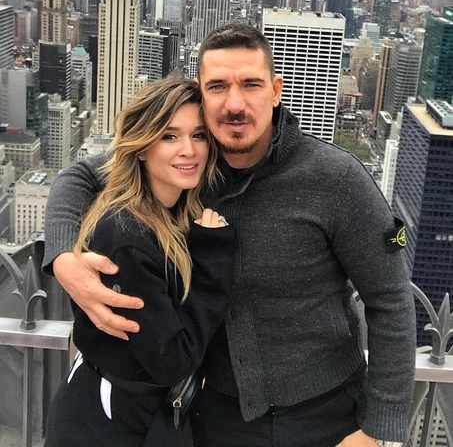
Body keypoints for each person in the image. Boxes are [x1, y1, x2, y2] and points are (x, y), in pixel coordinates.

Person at [44, 24, 416, 447]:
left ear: (275, 90)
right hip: (209, 416)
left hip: (325, 416)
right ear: (201, 95)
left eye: (251, 84)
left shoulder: (336, 179)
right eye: (218, 86)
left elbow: (390, 299)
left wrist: (377, 429)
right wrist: (63, 255)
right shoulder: (189, 162)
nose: (235, 104)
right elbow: (80, 176)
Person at [44, 76, 234, 447]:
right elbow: (173, 360)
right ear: (142, 146)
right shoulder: (128, 237)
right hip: (110, 422)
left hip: (132, 412)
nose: (189, 150)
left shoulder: (173, 210)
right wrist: (212, 260)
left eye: (198, 135)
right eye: (169, 136)